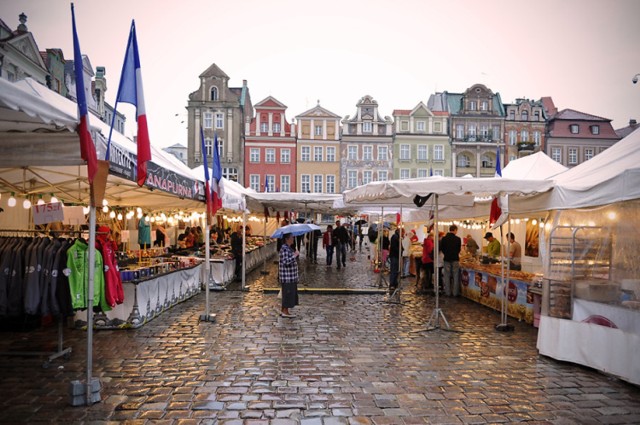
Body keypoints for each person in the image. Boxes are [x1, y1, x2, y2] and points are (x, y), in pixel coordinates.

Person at [279, 233, 299, 318]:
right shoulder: (284, 249)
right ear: (287, 239)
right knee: (287, 294)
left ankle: (284, 310)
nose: (293, 239)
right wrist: (295, 255)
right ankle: (285, 311)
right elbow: (286, 262)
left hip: (291, 276)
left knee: (288, 294)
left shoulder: (289, 248)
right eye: (292, 237)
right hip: (287, 277)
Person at [440, 224, 462, 297]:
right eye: (456, 230)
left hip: (447, 259)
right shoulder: (458, 239)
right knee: (456, 276)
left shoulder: (444, 238)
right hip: (455, 258)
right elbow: (459, 249)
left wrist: (446, 253)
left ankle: (448, 292)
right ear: (455, 230)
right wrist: (455, 253)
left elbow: (442, 248)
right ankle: (455, 293)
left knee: (447, 276)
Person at [388, 228, 402, 293]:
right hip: (395, 256)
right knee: (394, 269)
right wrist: (400, 250)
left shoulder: (396, 237)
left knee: (395, 270)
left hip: (395, 256)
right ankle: (392, 284)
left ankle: (394, 283)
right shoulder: (395, 237)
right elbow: (395, 247)